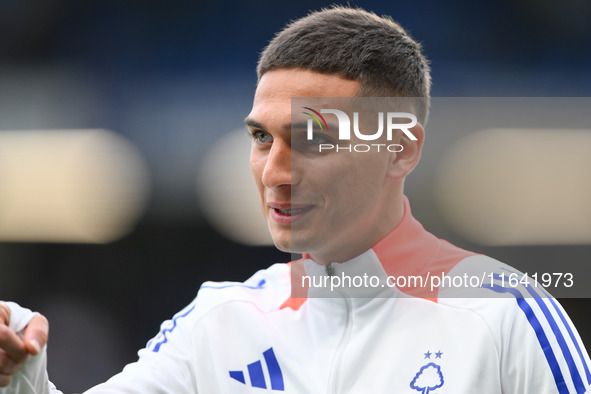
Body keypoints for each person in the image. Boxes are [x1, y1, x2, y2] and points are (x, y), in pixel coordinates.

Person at [1, 6, 590, 393]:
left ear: (402, 150)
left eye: (313, 139)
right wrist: (20, 372)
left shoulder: (507, 319)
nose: (275, 172)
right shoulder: (221, 322)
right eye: (262, 137)